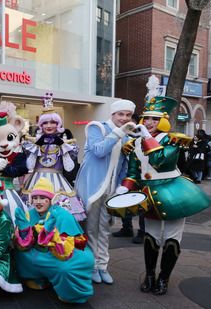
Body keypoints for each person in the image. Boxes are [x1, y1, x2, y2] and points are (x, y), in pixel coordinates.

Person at [117, 94, 211, 296]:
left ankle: (164, 278)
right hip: (148, 194)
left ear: (164, 121)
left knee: (171, 238)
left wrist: (147, 138)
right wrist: (125, 187)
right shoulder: (134, 144)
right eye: (146, 118)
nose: (149, 122)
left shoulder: (173, 140)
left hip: (173, 192)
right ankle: (150, 275)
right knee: (150, 236)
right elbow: (134, 171)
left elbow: (161, 161)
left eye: (154, 119)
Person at [75, 99, 137, 284]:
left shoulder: (127, 135)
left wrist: (122, 186)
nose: (124, 118)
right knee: (90, 228)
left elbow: (124, 164)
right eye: (121, 114)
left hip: (111, 190)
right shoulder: (97, 128)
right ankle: (91, 266)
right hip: (91, 187)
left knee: (105, 228)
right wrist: (119, 133)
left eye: (128, 115)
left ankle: (103, 265)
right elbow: (99, 151)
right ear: (112, 114)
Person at [14, 178, 94, 303]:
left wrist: (53, 237)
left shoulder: (62, 215)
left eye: (42, 198)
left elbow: (70, 245)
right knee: (20, 253)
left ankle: (72, 294)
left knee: (66, 269)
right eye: (35, 198)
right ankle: (38, 277)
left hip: (65, 252)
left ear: (51, 200)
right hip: (40, 251)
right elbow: (23, 244)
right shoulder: (29, 214)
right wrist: (24, 233)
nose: (38, 202)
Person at [22, 92, 85, 221]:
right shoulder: (33, 143)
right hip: (36, 182)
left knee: (58, 217)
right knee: (33, 216)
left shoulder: (66, 144)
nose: (49, 126)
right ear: (41, 125)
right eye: (45, 123)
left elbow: (68, 168)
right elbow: (29, 166)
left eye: (53, 122)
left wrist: (63, 148)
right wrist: (36, 147)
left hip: (58, 182)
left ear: (58, 124)